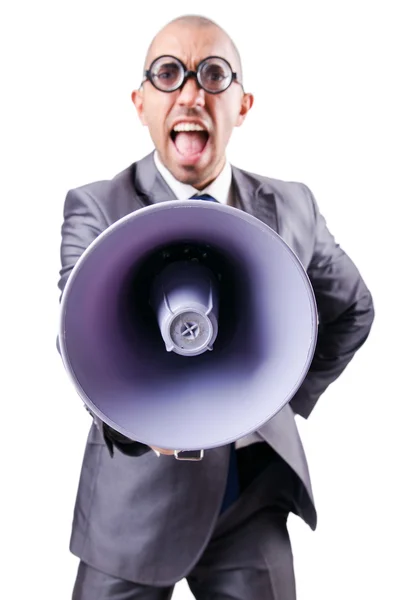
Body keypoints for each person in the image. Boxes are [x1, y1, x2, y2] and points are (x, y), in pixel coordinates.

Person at [58, 14, 375, 600]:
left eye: (213, 74)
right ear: (141, 101)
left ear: (243, 103)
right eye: (169, 73)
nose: (191, 92)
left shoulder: (291, 205)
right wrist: (136, 417)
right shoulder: (97, 206)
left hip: (249, 503)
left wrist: (278, 395)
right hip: (133, 510)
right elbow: (77, 338)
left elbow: (353, 309)